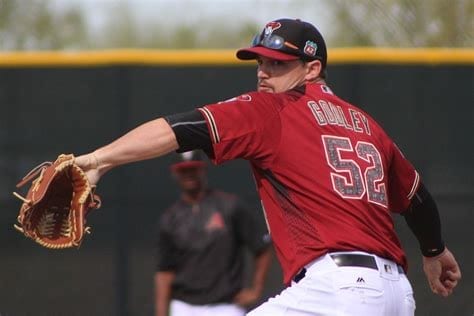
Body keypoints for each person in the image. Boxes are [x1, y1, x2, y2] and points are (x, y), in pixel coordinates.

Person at [75, 18, 461, 315]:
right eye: (261, 61)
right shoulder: (368, 126)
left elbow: (179, 129)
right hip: (396, 295)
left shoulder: (274, 110)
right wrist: (433, 250)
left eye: (277, 63)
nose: (263, 72)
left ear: (312, 69)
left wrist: (99, 160)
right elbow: (417, 198)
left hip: (338, 291)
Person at [154, 150, 272, 316]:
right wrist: (161, 313)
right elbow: (165, 272)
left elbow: (262, 247)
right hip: (184, 306)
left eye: (193, 169)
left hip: (225, 305)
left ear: (202, 169)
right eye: (183, 170)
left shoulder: (229, 206)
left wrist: (256, 289)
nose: (189, 174)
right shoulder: (170, 219)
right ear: (175, 173)